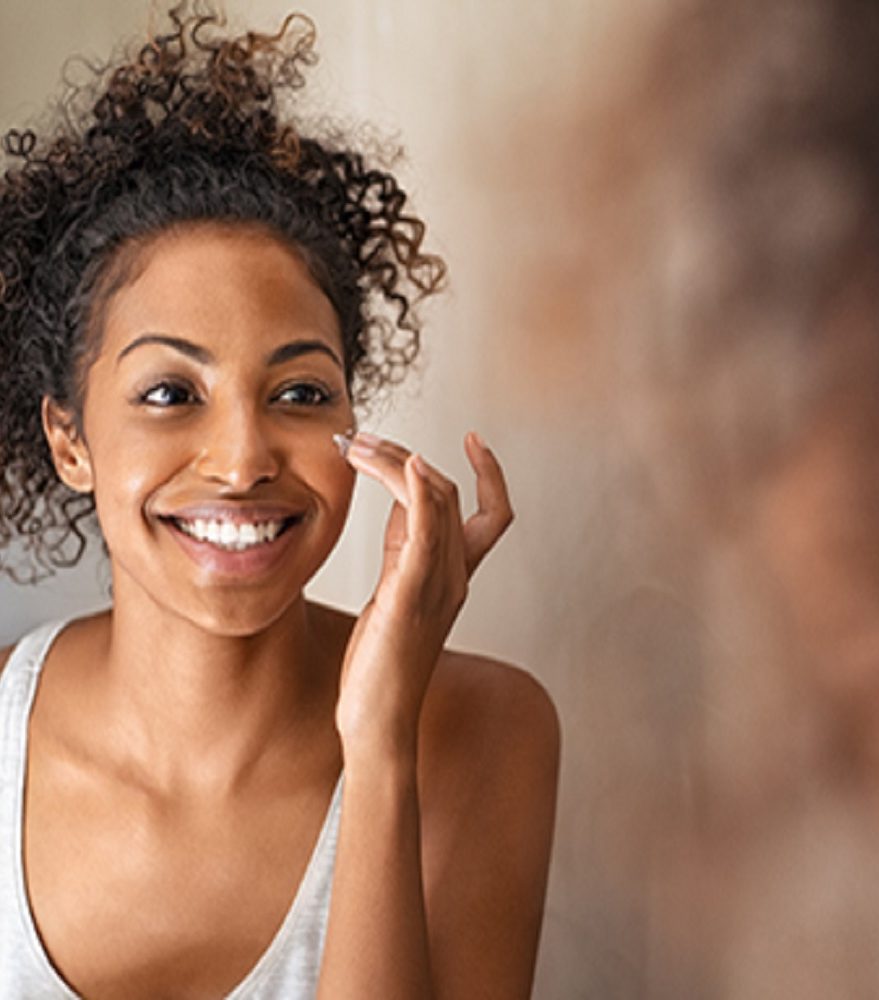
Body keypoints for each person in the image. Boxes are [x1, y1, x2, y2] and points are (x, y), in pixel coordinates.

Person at [0, 5, 559, 998]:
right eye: (171, 393)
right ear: (69, 439)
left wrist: (381, 740)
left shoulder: (483, 727)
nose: (245, 457)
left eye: (300, 392)